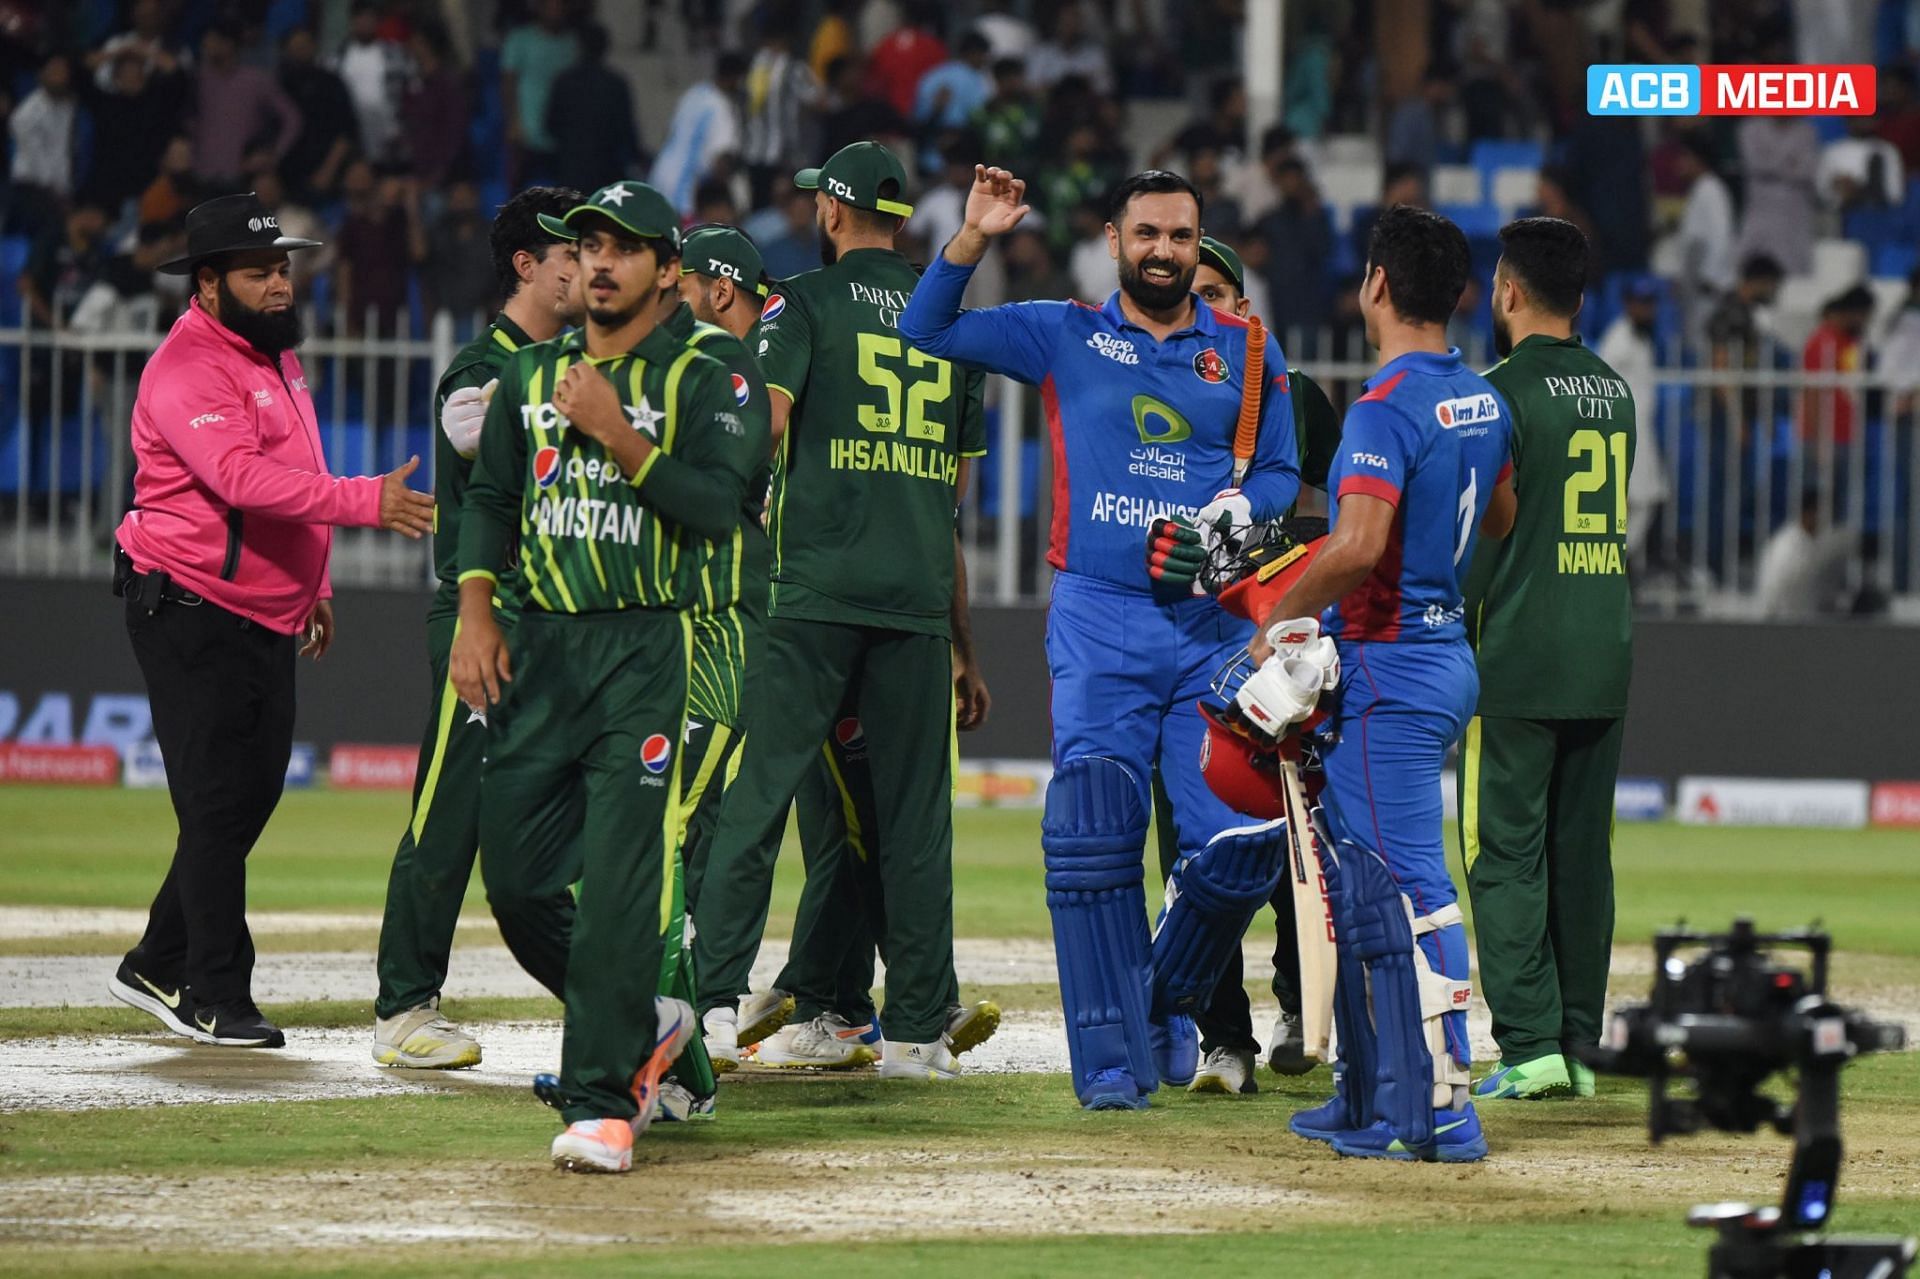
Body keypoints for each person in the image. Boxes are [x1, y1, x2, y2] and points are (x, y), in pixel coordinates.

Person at [901, 167, 1302, 1111]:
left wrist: (1236, 514)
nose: (1165, 250)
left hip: (1211, 628)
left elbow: (1282, 471)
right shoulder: (1063, 330)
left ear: (1200, 246)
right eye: (1148, 233)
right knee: (1098, 838)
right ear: (1114, 242)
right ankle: (1113, 1060)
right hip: (1098, 619)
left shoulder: (1248, 351)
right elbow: (923, 330)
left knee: (1230, 848)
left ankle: (1158, 1008)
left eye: (1182, 236)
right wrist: (972, 237)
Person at [451, 181, 756, 1172]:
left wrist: (619, 433)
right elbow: (491, 498)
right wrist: (475, 614)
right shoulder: (533, 374)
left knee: (625, 884)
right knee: (519, 881)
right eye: (588, 245)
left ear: (669, 270)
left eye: (626, 247)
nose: (601, 262)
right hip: (539, 653)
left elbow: (716, 507)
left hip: (645, 650)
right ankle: (651, 1020)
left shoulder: (711, 371)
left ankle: (602, 1104)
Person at [108, 193, 435, 1050]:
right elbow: (242, 481)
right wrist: (366, 501)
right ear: (208, 284)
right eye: (260, 272)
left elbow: (301, 467)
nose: (281, 284)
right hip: (185, 605)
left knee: (246, 798)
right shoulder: (185, 368)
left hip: (263, 611)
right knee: (219, 801)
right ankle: (213, 991)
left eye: (282, 266)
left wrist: (313, 581)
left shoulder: (272, 356)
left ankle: (156, 956)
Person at [690, 142, 988, 1082]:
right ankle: (913, 1035)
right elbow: (951, 506)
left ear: (831, 213)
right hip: (914, 605)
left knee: (757, 798)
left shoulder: (802, 305)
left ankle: (705, 1007)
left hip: (812, 594)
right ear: (900, 220)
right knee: (914, 820)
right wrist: (965, 644)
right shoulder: (952, 321)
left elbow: (763, 427)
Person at [1241, 204, 1513, 1161]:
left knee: (1406, 884)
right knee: (1358, 886)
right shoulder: (1484, 398)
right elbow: (1506, 515)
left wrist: (1276, 619)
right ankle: (1367, 1092)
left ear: (1376, 287)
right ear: (1465, 294)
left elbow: (1356, 547)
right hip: (1443, 653)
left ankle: (1445, 1101)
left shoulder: (1382, 405)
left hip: (1391, 669)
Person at [370, 186, 581, 1072]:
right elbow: (473, 435)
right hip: (483, 621)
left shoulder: (573, 362)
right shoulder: (480, 369)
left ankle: (624, 993)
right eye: (572, 253)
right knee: (448, 811)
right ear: (528, 266)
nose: (589, 267)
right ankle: (403, 1008)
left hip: (558, 623)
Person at [1457, 217, 1634, 1103]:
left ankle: (1528, 1045)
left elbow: (1490, 534)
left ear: (1509, 290)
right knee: (1582, 855)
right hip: (1604, 646)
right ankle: (1579, 1043)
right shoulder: (1617, 390)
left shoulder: (1498, 394)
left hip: (1520, 651)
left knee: (1505, 852)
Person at [1178, 236, 1342, 1097]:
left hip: (1272, 640)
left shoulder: (1292, 392)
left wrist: (1295, 593)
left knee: (1295, 831)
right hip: (1193, 632)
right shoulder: (1159, 378)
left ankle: (1293, 1004)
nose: (1206, 306)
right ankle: (1221, 1037)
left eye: (1218, 292)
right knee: (1197, 843)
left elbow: (1344, 510)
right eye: (1193, 293)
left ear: (1244, 305)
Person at [1595, 276, 1669, 562]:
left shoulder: (1643, 338)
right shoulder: (1618, 340)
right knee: (1634, 500)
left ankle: (1619, 564)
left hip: (1641, 432)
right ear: (1628, 304)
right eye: (1641, 303)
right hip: (1621, 432)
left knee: (1646, 499)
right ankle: (1613, 564)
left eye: (1650, 303)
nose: (1646, 309)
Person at [651, 52, 746, 217]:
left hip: (660, 179)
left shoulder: (693, 94)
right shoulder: (720, 107)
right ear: (736, 78)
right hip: (686, 193)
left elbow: (669, 133)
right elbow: (721, 160)